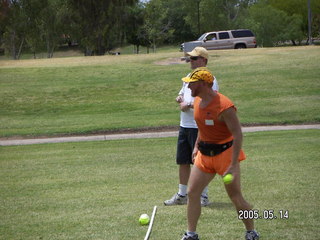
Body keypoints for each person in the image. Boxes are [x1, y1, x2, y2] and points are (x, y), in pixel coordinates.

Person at [180, 68, 260, 240]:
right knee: (193, 193)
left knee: (235, 197)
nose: (188, 87)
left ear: (202, 84)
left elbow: (238, 134)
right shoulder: (197, 102)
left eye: (191, 84)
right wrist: (196, 147)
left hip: (226, 155)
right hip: (204, 155)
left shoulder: (225, 106)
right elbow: (203, 127)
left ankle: (251, 231)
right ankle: (191, 234)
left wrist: (232, 164)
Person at [164, 47, 219, 207]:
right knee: (183, 161)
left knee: (200, 162)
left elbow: (210, 101)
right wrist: (180, 97)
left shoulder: (210, 79)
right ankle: (182, 195)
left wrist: (187, 104)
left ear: (204, 60)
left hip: (199, 126)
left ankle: (203, 196)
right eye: (190, 58)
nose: (191, 61)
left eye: (195, 58)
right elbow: (183, 92)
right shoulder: (188, 77)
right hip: (185, 124)